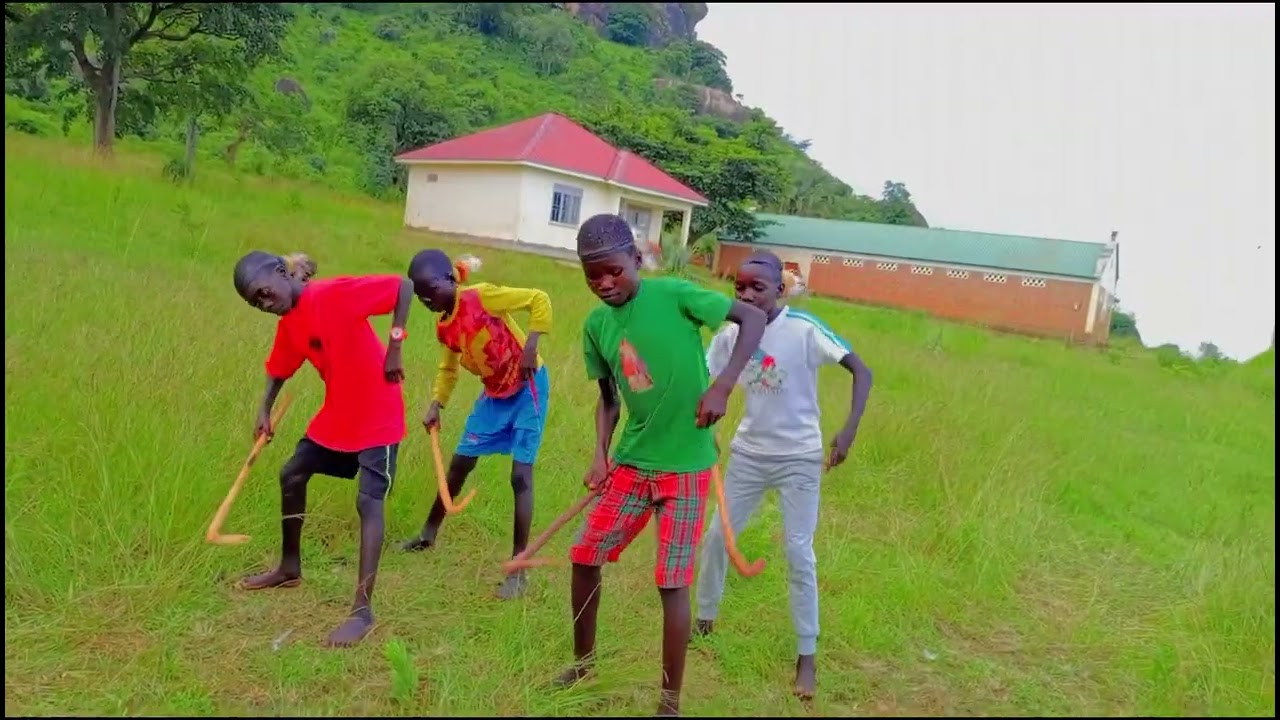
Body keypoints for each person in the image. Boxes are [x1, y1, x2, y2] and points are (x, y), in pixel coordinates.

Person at [556, 213, 768, 717]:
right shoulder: (596, 325)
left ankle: (669, 703)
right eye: (593, 277)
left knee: (672, 582)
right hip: (632, 463)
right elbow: (608, 398)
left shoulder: (675, 295)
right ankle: (584, 666)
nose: (605, 284)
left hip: (687, 467)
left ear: (636, 259)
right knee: (585, 556)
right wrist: (600, 453)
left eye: (614, 271)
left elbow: (753, 319)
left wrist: (722, 386)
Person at [693, 250, 873, 699]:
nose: (748, 294)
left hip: (800, 458)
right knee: (717, 536)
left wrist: (847, 431)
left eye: (758, 287)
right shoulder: (730, 331)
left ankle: (806, 655)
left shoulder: (804, 330)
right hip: (749, 455)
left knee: (798, 552)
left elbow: (860, 370)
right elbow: (706, 378)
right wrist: (704, 428)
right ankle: (705, 619)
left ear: (780, 289)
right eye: (740, 287)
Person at [232, 250, 415, 648]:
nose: (264, 304)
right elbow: (280, 367)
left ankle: (362, 611)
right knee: (292, 473)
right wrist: (264, 409)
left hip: (379, 415)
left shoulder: (334, 294)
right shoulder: (289, 324)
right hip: (338, 416)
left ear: (282, 273)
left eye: (263, 292)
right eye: (255, 302)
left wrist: (395, 347)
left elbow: (404, 287)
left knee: (369, 502)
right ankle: (289, 567)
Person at [399, 249, 553, 601]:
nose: (427, 300)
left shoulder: (481, 296)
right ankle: (427, 534)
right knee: (459, 465)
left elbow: (538, 299)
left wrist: (531, 344)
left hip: (528, 386)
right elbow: (449, 369)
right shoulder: (444, 328)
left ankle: (518, 566)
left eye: (430, 290)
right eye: (421, 297)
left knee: (520, 476)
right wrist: (436, 403)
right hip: (494, 396)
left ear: (450, 279)